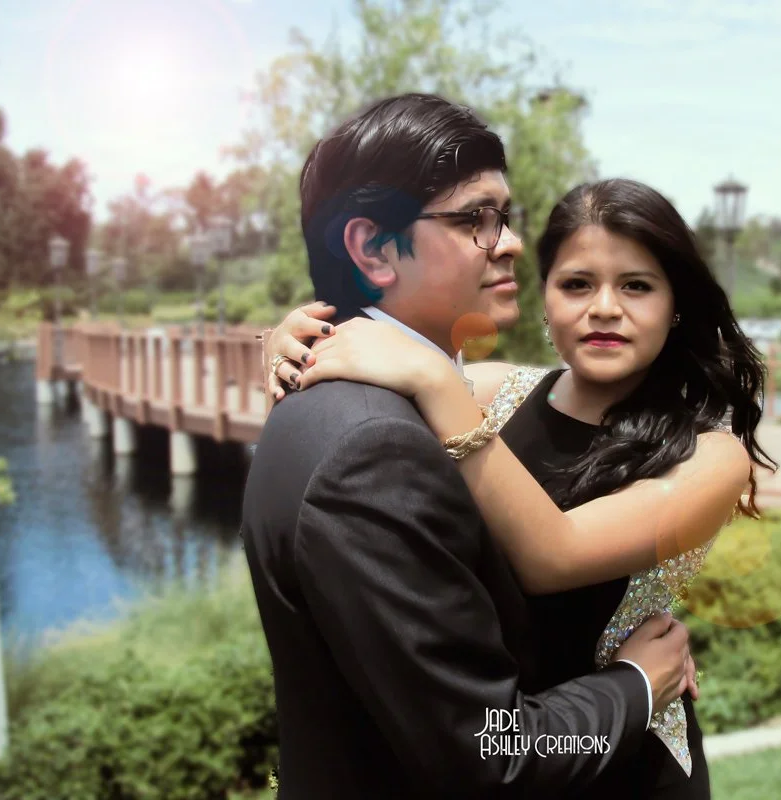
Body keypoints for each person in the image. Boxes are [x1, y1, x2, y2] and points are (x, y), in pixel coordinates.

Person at [242, 94, 698, 800]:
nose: (509, 241)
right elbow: (491, 758)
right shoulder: (377, 447)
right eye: (475, 219)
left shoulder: (372, 399)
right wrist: (639, 685)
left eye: (504, 217)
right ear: (371, 248)